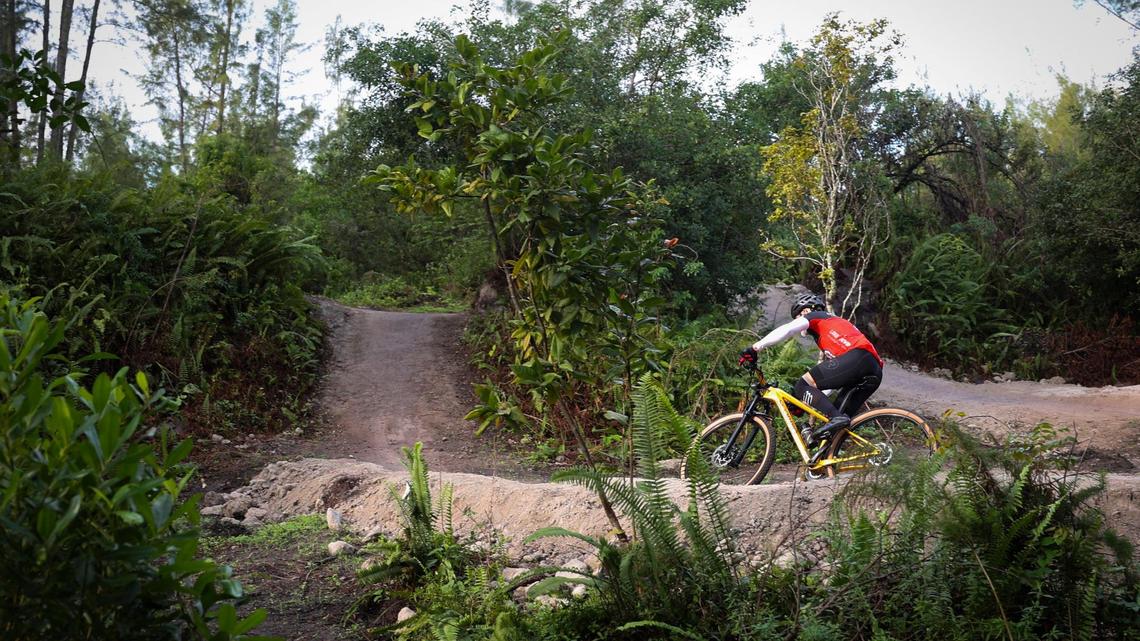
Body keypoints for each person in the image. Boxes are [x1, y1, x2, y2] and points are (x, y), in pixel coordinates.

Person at [738, 293, 883, 448]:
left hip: (859, 357)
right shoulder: (827, 334)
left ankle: (836, 419)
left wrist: (755, 348)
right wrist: (805, 402)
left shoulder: (818, 316)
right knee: (837, 425)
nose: (797, 320)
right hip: (873, 370)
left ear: (807, 311)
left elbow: (787, 330)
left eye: (798, 316)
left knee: (802, 385)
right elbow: (829, 384)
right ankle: (825, 466)